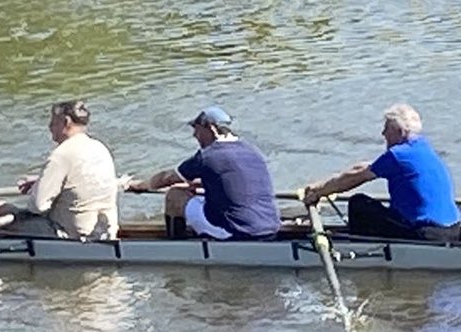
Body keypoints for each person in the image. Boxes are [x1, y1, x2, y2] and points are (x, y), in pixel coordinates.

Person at [303, 103, 460, 241]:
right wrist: (320, 187)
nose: (383, 134)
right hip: (454, 228)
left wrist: (318, 193)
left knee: (358, 203)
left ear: (398, 131)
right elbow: (362, 168)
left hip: (427, 233)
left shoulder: (397, 155)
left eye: (386, 128)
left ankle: (360, 251)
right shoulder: (424, 148)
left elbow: (355, 178)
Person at [128, 105, 280, 240]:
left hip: (235, 232)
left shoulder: (207, 156)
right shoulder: (252, 151)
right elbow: (227, 180)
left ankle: (176, 247)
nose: (194, 135)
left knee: (175, 195)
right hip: (270, 227)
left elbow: (166, 178)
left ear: (211, 129)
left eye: (197, 129)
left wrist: (138, 185)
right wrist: (195, 184)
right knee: (190, 192)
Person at [0, 100, 119, 239]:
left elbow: (37, 206)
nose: (49, 126)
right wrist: (40, 182)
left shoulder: (61, 155)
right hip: (106, 232)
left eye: (53, 121)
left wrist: (36, 189)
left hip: (70, 235)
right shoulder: (100, 148)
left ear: (66, 122)